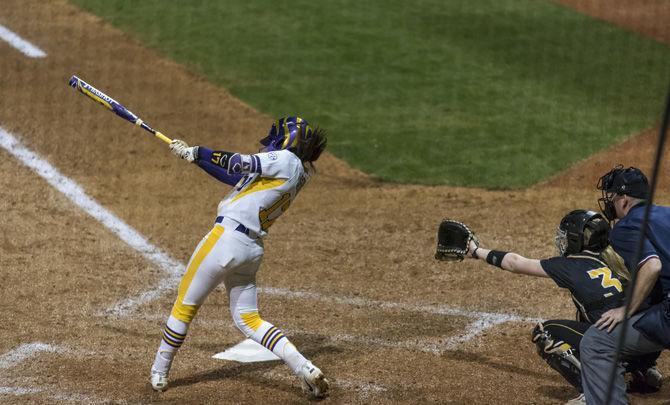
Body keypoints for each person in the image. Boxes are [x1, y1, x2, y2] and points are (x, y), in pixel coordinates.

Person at [149, 116, 330, 399]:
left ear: (286, 140)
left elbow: (237, 162)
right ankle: (304, 367)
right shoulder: (295, 171)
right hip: (251, 249)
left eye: (274, 139)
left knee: (185, 305)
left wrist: (199, 150)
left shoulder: (284, 159)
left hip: (224, 241)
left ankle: (159, 371)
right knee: (249, 320)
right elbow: (236, 177)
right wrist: (194, 158)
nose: (268, 145)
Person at [460, 210, 662, 404]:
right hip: (648, 342)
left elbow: (514, 263)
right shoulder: (623, 255)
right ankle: (643, 371)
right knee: (590, 312)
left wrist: (476, 251)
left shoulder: (571, 265)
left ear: (576, 240)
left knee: (545, 332)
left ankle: (591, 390)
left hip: (613, 344)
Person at [579, 165, 670, 405]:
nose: (609, 202)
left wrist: (626, 309)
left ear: (624, 199)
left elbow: (652, 266)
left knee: (596, 343)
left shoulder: (625, 227)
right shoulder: (667, 214)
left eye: (612, 196)